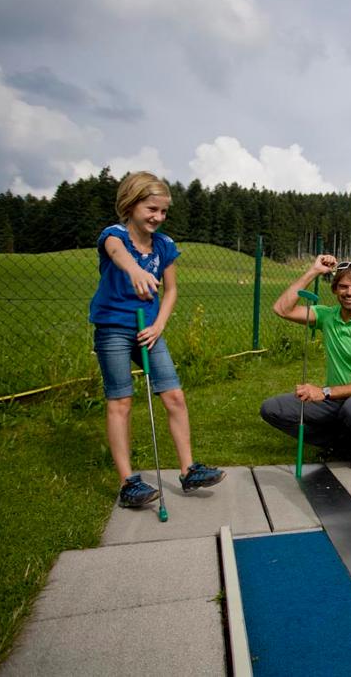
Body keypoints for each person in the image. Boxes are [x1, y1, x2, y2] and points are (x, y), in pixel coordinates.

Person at [89, 171, 224, 509]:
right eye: (152, 209)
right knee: (120, 401)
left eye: (163, 212)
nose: (158, 217)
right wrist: (134, 270)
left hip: (148, 331)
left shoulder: (164, 245)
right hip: (114, 329)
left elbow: (172, 289)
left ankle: (189, 470)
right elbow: (117, 251)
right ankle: (128, 483)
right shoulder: (114, 235)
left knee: (174, 396)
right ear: (131, 204)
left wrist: (160, 325)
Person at [259, 257, 351, 470]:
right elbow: (282, 309)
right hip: (335, 401)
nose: (349, 292)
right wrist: (313, 271)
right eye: (343, 286)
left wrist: (325, 391)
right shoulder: (327, 316)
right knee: (272, 409)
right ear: (335, 289)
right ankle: (340, 442)